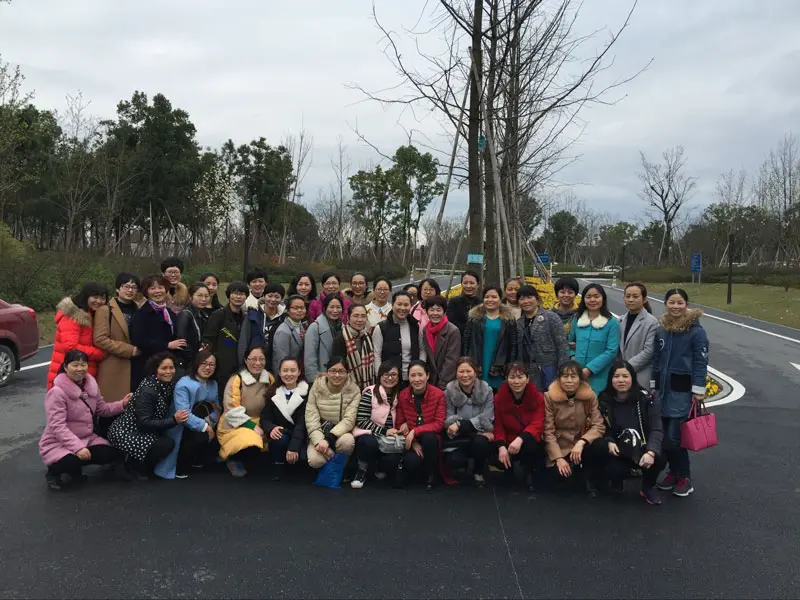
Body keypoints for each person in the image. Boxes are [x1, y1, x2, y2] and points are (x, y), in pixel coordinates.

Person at [39, 350, 128, 491]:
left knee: (111, 453)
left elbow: (102, 409)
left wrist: (122, 404)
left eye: (83, 364)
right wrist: (77, 447)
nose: (80, 369)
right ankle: (53, 472)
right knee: (71, 461)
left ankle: (76, 470)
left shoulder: (91, 386)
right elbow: (57, 426)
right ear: (66, 367)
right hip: (58, 442)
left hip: (87, 438)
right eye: (75, 365)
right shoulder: (57, 393)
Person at [653, 288, 709, 498]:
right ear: (665, 303)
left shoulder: (696, 332)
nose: (675, 306)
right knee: (663, 436)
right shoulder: (662, 329)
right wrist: (653, 384)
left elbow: (701, 362)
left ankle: (684, 476)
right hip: (662, 391)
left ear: (686, 304)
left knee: (675, 438)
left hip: (682, 392)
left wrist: (698, 390)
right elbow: (656, 358)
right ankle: (673, 472)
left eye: (680, 302)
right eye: (672, 302)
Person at [108, 352, 187, 480]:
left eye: (171, 368)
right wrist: (173, 420)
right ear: (155, 370)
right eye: (164, 368)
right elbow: (144, 423)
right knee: (165, 444)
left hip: (144, 429)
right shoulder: (148, 390)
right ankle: (130, 464)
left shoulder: (166, 384)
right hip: (126, 431)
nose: (169, 372)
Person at [599, 360, 666, 505]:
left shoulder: (645, 398)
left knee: (661, 455)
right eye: (616, 376)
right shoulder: (604, 399)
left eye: (625, 376)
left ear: (632, 378)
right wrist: (609, 441)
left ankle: (648, 486)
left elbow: (656, 428)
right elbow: (602, 427)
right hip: (619, 449)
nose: (621, 380)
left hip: (643, 447)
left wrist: (651, 452)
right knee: (609, 464)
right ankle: (615, 481)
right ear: (610, 379)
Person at [543, 360, 607, 497]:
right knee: (558, 477)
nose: (569, 381)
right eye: (565, 376)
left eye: (573, 376)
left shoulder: (590, 396)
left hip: (582, 446)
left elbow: (598, 425)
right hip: (560, 447)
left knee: (601, 445)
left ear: (580, 379)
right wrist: (558, 458)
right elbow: (548, 431)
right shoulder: (549, 397)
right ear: (559, 379)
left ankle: (590, 478)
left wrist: (582, 442)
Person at [154, 350, 220, 480]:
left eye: (212, 364)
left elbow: (217, 408)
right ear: (196, 364)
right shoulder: (184, 384)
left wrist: (210, 421)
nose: (208, 367)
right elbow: (184, 414)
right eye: (204, 363)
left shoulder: (213, 384)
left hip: (203, 419)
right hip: (181, 425)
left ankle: (195, 459)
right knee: (200, 435)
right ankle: (180, 463)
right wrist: (205, 426)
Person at [217, 345, 274, 477]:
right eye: (253, 359)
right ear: (245, 360)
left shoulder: (269, 378)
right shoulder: (237, 379)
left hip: (262, 422)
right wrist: (253, 426)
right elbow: (232, 411)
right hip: (236, 424)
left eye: (261, 359)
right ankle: (233, 459)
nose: (257, 363)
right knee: (251, 440)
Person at [494, 362, 547, 492]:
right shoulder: (498, 398)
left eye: (520, 377)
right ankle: (508, 471)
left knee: (532, 446)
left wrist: (521, 438)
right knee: (495, 453)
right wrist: (501, 445)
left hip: (528, 438)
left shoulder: (538, 397)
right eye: (512, 377)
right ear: (506, 379)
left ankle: (530, 473)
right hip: (508, 440)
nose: (516, 381)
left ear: (527, 379)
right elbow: (498, 425)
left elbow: (538, 423)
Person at [94, 273, 142, 411]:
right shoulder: (105, 310)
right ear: (117, 288)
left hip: (137, 365)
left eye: (134, 287)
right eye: (126, 286)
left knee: (134, 408)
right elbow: (100, 339)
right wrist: (129, 350)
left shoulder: (139, 309)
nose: (130, 290)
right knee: (112, 408)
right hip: (114, 365)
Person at [394, 361, 446, 490]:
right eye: (413, 375)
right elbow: (399, 423)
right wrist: (413, 442)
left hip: (432, 440)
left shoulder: (438, 394)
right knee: (411, 462)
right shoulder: (403, 395)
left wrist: (415, 431)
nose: (417, 379)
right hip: (413, 440)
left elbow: (439, 423)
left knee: (429, 437)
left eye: (420, 375)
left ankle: (431, 475)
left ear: (427, 375)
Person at [443, 358, 494, 487]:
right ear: (456, 373)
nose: (465, 375)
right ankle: (463, 465)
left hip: (479, 438)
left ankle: (478, 471)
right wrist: (474, 428)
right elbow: (449, 421)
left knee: (481, 442)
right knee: (454, 461)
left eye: (468, 371)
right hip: (459, 439)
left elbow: (488, 417)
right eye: (461, 371)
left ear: (475, 372)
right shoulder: (448, 392)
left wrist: (460, 424)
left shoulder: (487, 390)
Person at [351, 362, 402, 489]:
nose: (390, 378)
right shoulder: (370, 393)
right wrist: (384, 431)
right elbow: (361, 420)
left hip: (390, 439)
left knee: (392, 461)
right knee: (368, 442)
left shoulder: (400, 394)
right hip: (370, 435)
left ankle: (379, 466)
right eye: (386, 374)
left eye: (393, 374)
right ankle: (361, 470)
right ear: (379, 376)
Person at [48, 282, 107, 390]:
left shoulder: (91, 314)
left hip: (81, 373)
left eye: (102, 298)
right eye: (95, 297)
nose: (99, 301)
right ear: (86, 296)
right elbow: (71, 347)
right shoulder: (73, 317)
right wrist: (99, 353)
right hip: (68, 374)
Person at [129, 276, 186, 390]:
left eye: (160, 287)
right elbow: (139, 340)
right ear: (146, 292)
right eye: (152, 288)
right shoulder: (141, 314)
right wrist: (167, 345)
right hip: (149, 366)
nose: (157, 291)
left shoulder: (169, 313)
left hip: (169, 366)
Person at [305, 356, 361, 469]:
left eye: (341, 371)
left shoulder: (354, 390)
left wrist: (328, 439)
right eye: (333, 371)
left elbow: (349, 420)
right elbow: (311, 418)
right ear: (327, 373)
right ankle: (327, 470)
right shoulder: (316, 387)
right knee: (315, 461)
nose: (337, 375)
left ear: (347, 373)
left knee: (347, 442)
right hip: (320, 431)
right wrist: (319, 442)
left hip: (340, 433)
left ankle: (340, 469)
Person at [260, 358, 309, 480]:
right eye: (285, 370)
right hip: (282, 436)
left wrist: (294, 448)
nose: (289, 374)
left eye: (293, 370)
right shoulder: (273, 392)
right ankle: (278, 464)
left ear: (299, 372)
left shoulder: (307, 393)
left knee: (303, 458)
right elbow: (265, 417)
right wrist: (271, 428)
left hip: (300, 437)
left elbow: (302, 424)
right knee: (279, 437)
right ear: (280, 373)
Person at [462, 286, 518, 391]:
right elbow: (466, 342)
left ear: (500, 299)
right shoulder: (474, 319)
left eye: (494, 297)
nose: (490, 300)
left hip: (500, 365)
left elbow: (513, 345)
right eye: (487, 297)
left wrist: (511, 366)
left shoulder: (509, 320)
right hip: (478, 363)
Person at [569, 284, 620, 394]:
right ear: (583, 299)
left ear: (603, 298)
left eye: (596, 296)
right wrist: (573, 358)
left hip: (600, 375)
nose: (592, 300)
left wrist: (590, 369)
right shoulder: (577, 320)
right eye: (588, 297)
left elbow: (611, 351)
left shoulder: (612, 323)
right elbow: (569, 343)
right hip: (577, 374)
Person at [517, 285, 569, 391]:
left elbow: (562, 346)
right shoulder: (519, 322)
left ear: (537, 299)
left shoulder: (551, 317)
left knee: (552, 396)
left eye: (529, 297)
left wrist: (563, 371)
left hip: (550, 367)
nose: (526, 301)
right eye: (522, 298)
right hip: (529, 370)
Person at [203, 281, 249, 395]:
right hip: (221, 367)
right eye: (235, 293)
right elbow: (209, 339)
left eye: (242, 294)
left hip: (238, 367)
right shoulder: (219, 314)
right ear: (229, 295)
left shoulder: (245, 317)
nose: (238, 297)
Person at [372, 291, 422, 388]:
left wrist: (420, 370)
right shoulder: (381, 328)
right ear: (392, 305)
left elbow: (422, 349)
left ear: (410, 306)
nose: (402, 308)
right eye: (399, 304)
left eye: (406, 305)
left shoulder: (416, 326)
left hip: (412, 379)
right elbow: (376, 355)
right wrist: (380, 378)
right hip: (389, 380)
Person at [618, 282, 659, 389]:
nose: (630, 299)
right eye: (627, 296)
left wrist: (626, 367)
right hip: (621, 375)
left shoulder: (651, 322)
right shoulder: (620, 320)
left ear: (644, 299)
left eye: (635, 296)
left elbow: (649, 351)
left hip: (641, 375)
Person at [332, 303, 377, 389]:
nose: (360, 320)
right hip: (347, 386)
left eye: (363, 316)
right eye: (356, 316)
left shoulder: (367, 336)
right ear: (348, 318)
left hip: (368, 385)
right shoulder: (341, 338)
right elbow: (338, 365)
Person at [420, 295, 460, 389]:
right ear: (427, 312)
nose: (435, 313)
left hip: (445, 381)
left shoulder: (452, 331)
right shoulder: (425, 330)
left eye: (438, 310)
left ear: (444, 312)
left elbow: (451, 360)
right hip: (430, 380)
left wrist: (442, 383)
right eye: (432, 310)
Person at [304, 294, 343, 384]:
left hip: (339, 376)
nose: (335, 310)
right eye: (331, 307)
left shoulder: (343, 327)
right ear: (325, 308)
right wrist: (313, 380)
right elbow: (310, 358)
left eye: (338, 307)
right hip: (321, 377)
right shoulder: (315, 327)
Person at [174, 283, 211, 370]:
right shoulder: (185, 315)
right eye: (199, 295)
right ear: (190, 297)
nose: (203, 299)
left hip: (198, 361)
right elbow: (181, 342)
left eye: (206, 296)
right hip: (187, 363)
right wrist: (195, 357)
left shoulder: (204, 315)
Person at [271, 295, 307, 375]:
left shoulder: (301, 326)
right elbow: (281, 359)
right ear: (287, 311)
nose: (300, 310)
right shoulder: (283, 331)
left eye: (302, 308)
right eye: (295, 308)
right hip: (287, 375)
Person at [446, 270, 481, 341]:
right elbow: (451, 323)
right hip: (457, 340)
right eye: (465, 283)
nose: (468, 286)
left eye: (472, 283)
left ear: (478, 284)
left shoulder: (481, 303)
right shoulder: (454, 302)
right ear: (461, 284)